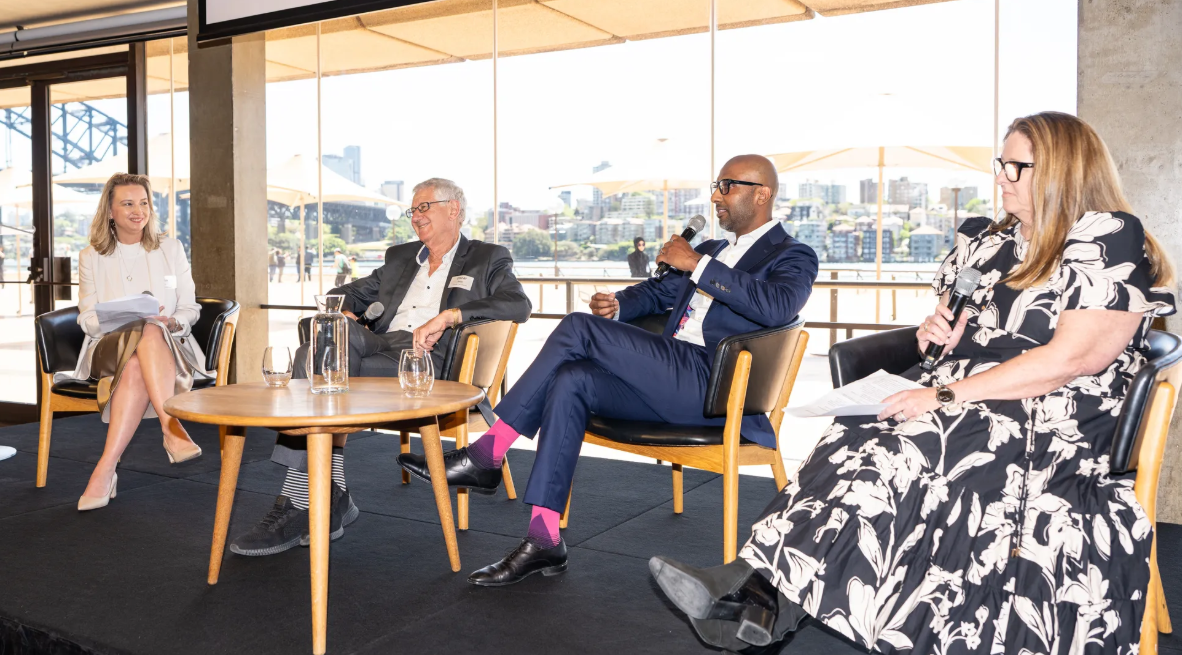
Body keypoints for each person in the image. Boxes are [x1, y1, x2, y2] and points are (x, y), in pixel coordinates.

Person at [650, 112, 1177, 655]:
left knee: (910, 442)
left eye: (1018, 167)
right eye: (1002, 165)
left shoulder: (1105, 237)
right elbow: (955, 328)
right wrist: (938, 332)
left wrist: (944, 394)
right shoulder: (991, 242)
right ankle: (758, 590)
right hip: (974, 392)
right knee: (854, 433)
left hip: (1051, 411)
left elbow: (1073, 358)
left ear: (1065, 170)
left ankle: (758, 595)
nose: (1002, 178)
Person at [399, 155, 819, 586]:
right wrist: (620, 304)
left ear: (762, 193)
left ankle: (489, 452)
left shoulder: (793, 255)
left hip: (714, 385)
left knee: (579, 329)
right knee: (571, 379)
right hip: (671, 378)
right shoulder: (713, 248)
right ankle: (543, 539)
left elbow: (777, 306)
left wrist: (697, 265)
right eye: (717, 185)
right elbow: (658, 294)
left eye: (727, 186)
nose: (715, 195)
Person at [230, 177, 532, 556]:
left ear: (454, 209)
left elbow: (517, 304)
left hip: (428, 362)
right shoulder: (401, 257)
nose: (415, 216)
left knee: (318, 355)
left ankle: (303, 500)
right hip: (382, 347)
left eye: (425, 207)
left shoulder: (488, 257)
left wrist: (450, 316)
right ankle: (319, 495)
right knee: (329, 331)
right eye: (412, 210)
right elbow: (344, 294)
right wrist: (344, 313)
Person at [70, 173, 208, 512]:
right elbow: (86, 317)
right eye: (128, 203)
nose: (138, 211)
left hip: (169, 344)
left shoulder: (170, 248)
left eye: (143, 203)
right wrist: (113, 318)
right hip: (109, 346)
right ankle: (171, 426)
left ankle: (105, 470)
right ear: (110, 211)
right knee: (140, 331)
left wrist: (174, 320)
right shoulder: (92, 256)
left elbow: (191, 306)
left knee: (147, 335)